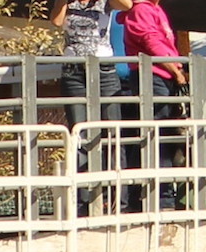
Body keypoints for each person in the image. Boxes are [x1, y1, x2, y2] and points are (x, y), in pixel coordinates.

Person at [120, 0, 186, 210]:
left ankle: (154, 196)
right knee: (157, 136)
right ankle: (159, 198)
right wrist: (176, 70)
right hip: (152, 77)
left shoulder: (156, 9)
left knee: (161, 136)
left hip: (163, 76)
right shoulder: (141, 10)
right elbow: (151, 43)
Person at [50, 0, 133, 128]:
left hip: (103, 67)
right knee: (78, 126)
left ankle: (111, 148)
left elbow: (127, 5)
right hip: (73, 68)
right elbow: (56, 21)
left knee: (112, 125)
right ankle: (80, 148)